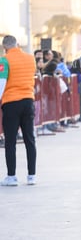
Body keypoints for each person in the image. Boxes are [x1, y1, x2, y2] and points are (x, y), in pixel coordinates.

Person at [1, 35, 37, 186]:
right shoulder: (30, 59)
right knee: (30, 139)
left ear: (5, 47)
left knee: (10, 141)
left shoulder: (4, 59)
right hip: (28, 101)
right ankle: (31, 176)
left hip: (11, 102)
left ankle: (11, 176)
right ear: (17, 45)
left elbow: (1, 82)